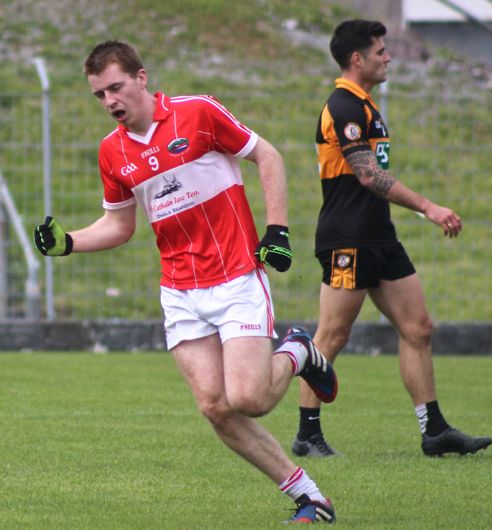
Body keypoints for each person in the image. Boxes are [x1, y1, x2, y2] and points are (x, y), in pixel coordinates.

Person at [34, 40, 338, 524]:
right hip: (179, 291)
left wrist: (277, 231)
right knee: (216, 407)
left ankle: (298, 350)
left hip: (236, 275)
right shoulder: (111, 153)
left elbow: (270, 156)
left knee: (250, 399)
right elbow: (119, 224)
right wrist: (66, 243)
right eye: (99, 95)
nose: (110, 101)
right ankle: (310, 497)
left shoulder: (197, 112)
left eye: (115, 87)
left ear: (141, 78)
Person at [291, 20, 492, 458]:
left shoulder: (366, 105)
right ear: (357, 58)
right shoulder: (343, 105)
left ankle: (434, 430)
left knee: (418, 328)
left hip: (379, 237)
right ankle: (307, 434)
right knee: (332, 336)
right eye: (381, 51)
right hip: (347, 240)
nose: (388, 57)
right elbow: (367, 174)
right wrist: (428, 206)